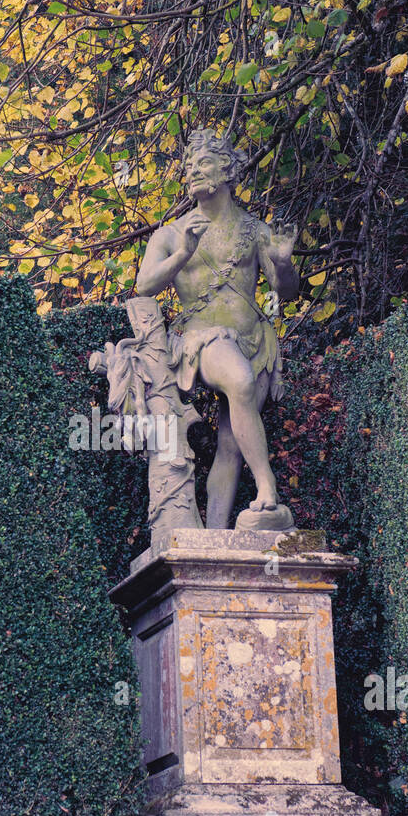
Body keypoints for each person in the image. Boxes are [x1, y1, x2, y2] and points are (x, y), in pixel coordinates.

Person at [135, 128, 299, 529]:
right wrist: (184, 255)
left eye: (203, 162)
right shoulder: (172, 234)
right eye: (189, 165)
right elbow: (144, 286)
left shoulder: (255, 230)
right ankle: (268, 487)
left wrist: (281, 263)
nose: (192, 171)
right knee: (239, 382)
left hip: (256, 341)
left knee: (231, 445)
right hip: (203, 340)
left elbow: (286, 292)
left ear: (227, 170)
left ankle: (215, 538)